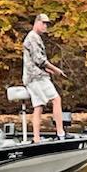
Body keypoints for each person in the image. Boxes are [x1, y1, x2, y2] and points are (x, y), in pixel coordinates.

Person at [21, 13, 66, 141]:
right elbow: (39, 59)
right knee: (56, 99)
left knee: (38, 106)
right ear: (37, 22)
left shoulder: (34, 37)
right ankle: (60, 133)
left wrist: (47, 70)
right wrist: (56, 69)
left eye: (47, 24)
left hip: (31, 77)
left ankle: (36, 138)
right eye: (43, 23)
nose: (45, 26)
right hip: (36, 77)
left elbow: (34, 60)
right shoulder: (33, 37)